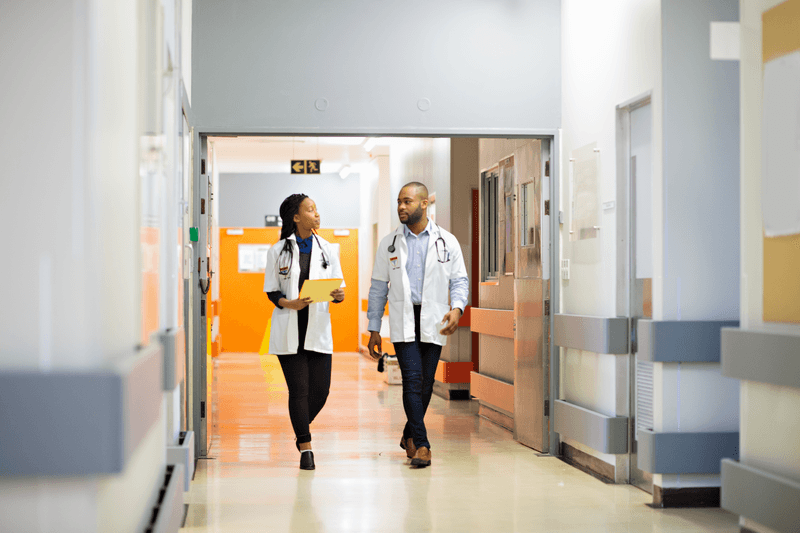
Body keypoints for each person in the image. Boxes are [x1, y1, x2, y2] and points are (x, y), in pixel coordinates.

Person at [367, 182, 468, 468]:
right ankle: (422, 444)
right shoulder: (389, 243)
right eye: (399, 201)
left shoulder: (447, 241)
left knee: (425, 383)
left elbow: (459, 279)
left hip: (433, 318)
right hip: (403, 318)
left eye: (407, 202)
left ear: (424, 204)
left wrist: (458, 308)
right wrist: (374, 328)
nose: (401, 207)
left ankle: (408, 435)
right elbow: (378, 288)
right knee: (412, 380)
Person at [263, 194, 345, 470]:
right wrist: (291, 303)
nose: (317, 214)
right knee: (298, 391)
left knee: (320, 391)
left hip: (318, 327)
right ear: (296, 217)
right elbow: (272, 291)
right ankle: (305, 447)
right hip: (289, 327)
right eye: (311, 210)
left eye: (317, 209)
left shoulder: (328, 249)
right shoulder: (278, 250)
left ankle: (299, 424)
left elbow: (339, 290)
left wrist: (338, 295)